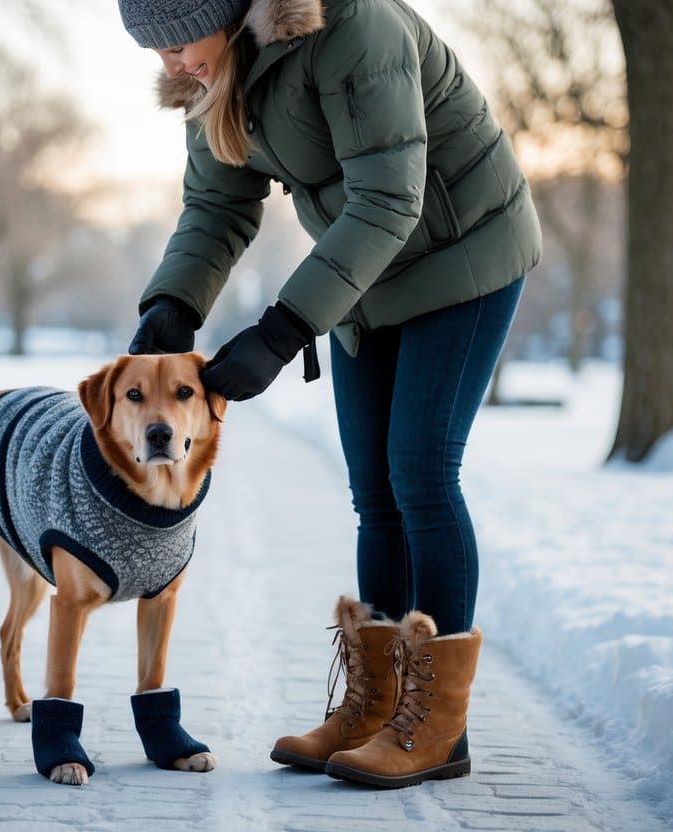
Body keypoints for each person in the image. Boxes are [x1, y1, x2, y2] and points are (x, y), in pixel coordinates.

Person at [117, 0, 542, 788]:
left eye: (178, 39)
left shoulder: (353, 30)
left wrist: (282, 331)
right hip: (367, 274)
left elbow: (387, 198)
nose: (171, 61)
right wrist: (170, 306)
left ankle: (436, 727)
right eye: (155, 49)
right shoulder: (212, 73)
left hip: (462, 251)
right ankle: (375, 707)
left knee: (419, 473)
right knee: (373, 494)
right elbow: (217, 201)